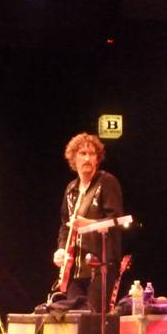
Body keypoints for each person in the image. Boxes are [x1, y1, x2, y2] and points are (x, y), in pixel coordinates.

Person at [52, 133, 123, 312]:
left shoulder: (106, 182)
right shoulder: (71, 189)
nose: (87, 158)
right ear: (73, 158)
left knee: (93, 319)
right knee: (75, 319)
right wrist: (61, 249)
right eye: (82, 153)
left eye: (92, 154)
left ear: (97, 159)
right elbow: (65, 226)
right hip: (74, 269)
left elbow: (117, 221)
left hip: (100, 266)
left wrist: (89, 224)